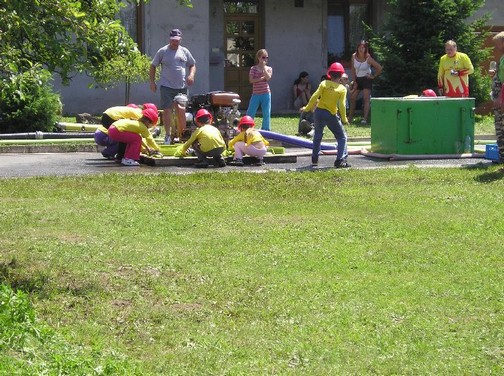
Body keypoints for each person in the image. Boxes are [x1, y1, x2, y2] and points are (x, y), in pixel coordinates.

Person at [150, 28, 196, 145]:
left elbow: (192, 65)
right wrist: (152, 81)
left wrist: (191, 75)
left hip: (182, 87)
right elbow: (153, 66)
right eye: (172, 40)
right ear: (169, 39)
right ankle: (168, 135)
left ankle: (182, 134)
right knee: (167, 110)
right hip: (167, 86)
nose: (174, 42)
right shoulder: (163, 51)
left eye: (177, 40)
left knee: (181, 110)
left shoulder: (184, 51)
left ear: (180, 39)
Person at [301, 62, 350, 168]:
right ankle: (340, 160)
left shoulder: (324, 84)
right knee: (342, 137)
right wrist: (344, 119)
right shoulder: (342, 89)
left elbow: (315, 96)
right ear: (341, 75)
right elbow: (341, 105)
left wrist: (307, 108)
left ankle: (314, 159)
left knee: (317, 136)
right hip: (331, 115)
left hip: (319, 112)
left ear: (329, 74)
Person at [349, 40, 382, 125]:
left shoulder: (368, 58)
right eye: (360, 47)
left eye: (363, 47)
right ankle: (350, 118)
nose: (361, 49)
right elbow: (352, 69)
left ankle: (365, 119)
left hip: (366, 79)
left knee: (366, 98)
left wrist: (373, 76)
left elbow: (379, 68)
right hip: (358, 79)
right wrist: (354, 81)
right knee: (352, 98)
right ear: (357, 48)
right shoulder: (354, 56)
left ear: (366, 49)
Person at [246, 49, 272, 131]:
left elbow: (268, 78)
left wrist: (264, 68)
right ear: (258, 57)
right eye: (263, 57)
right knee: (251, 112)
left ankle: (266, 129)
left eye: (266, 57)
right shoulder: (253, 68)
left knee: (266, 113)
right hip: (256, 94)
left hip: (266, 93)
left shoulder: (269, 68)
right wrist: (261, 78)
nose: (265, 59)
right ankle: (248, 127)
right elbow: (251, 80)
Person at [490, 32, 504, 162]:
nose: (496, 47)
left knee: (501, 127)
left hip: (502, 98)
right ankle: (501, 156)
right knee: (500, 128)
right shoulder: (502, 58)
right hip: (500, 96)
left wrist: (500, 98)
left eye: (498, 44)